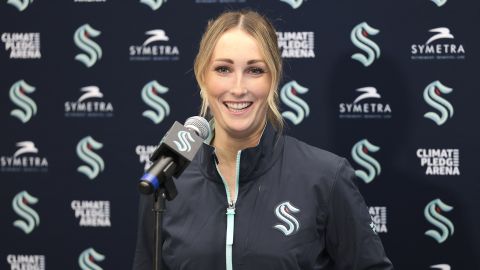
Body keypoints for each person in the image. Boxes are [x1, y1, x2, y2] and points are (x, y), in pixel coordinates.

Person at [133, 10, 394, 270]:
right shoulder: (166, 175)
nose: (238, 88)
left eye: (255, 70)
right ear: (203, 77)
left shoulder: (326, 177)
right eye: (223, 69)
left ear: (273, 78)